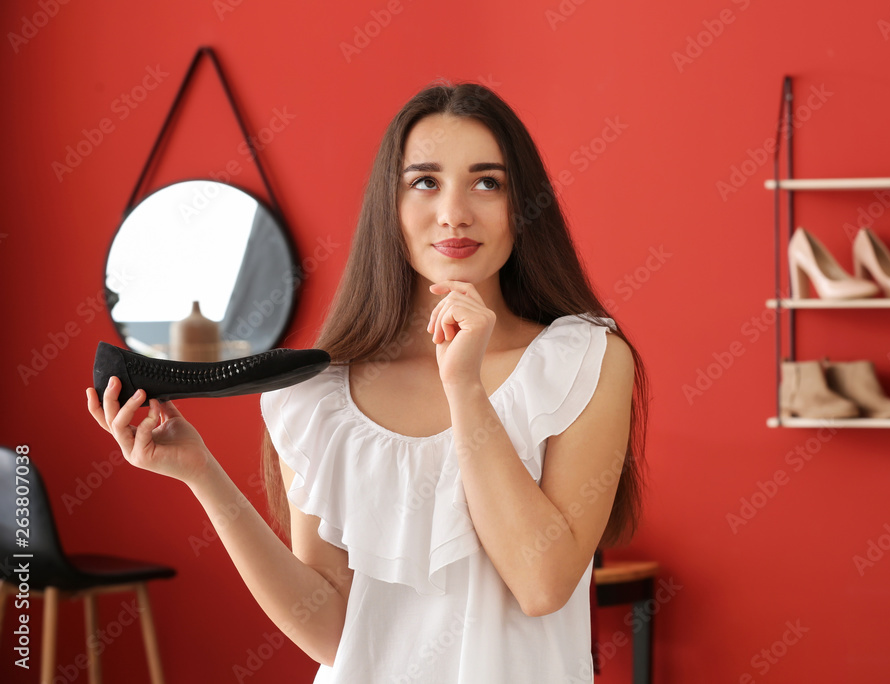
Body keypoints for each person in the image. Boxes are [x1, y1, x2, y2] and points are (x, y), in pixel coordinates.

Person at [86, 81, 649, 683]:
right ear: (391, 205)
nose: (454, 212)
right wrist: (202, 473)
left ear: (524, 207)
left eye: (488, 182)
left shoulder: (582, 360)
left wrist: (464, 389)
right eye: (425, 182)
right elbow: (333, 633)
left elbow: (542, 584)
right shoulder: (317, 393)